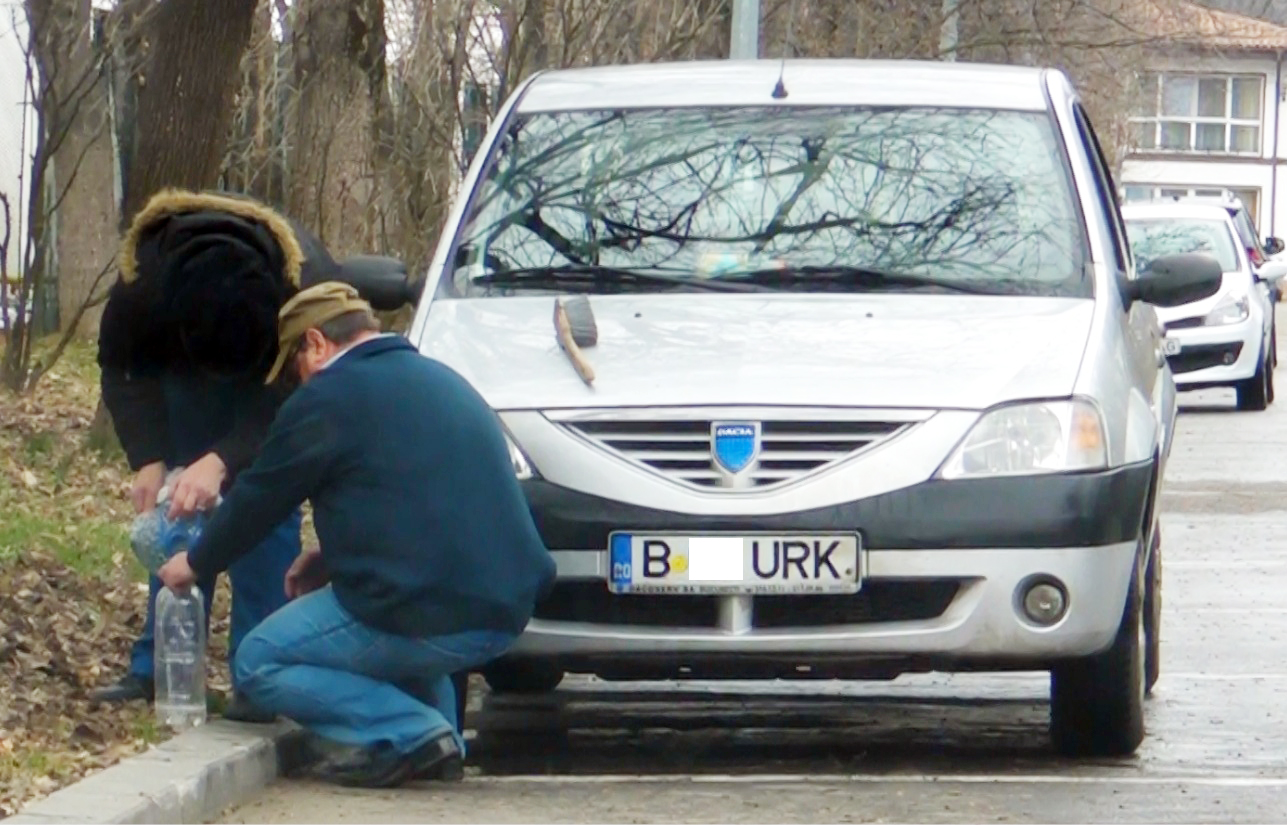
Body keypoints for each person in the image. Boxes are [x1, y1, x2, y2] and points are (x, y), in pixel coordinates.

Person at [157, 282, 556, 787]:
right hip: (504, 610)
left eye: (296, 368)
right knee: (414, 633)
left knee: (259, 661)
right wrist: (329, 557)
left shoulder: (329, 397)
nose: (298, 386)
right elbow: (424, 501)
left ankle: (413, 732)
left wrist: (194, 562)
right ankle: (443, 744)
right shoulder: (443, 381)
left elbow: (260, 497)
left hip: (423, 608)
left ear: (317, 345)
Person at [92, 190, 345, 719]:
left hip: (271, 384)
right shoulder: (145, 277)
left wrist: (225, 458)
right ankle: (158, 667)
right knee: (178, 515)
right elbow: (120, 368)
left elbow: (296, 395)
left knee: (262, 514)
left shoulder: (303, 281)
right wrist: (150, 455)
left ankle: (259, 674)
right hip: (182, 380)